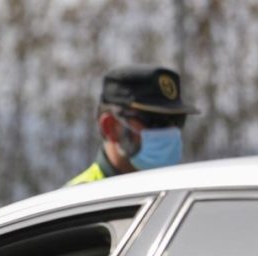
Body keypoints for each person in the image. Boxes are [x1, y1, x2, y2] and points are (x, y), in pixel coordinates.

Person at [67, 65, 200, 186]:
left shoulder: (186, 194)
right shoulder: (78, 203)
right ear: (111, 127)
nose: (169, 131)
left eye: (177, 121)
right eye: (154, 121)